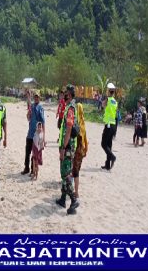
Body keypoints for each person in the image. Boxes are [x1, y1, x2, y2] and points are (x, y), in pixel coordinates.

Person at [56, 84, 79, 215]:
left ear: (69, 94)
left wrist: (64, 147)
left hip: (68, 146)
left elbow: (69, 129)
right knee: (63, 173)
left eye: (65, 93)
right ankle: (63, 199)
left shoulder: (70, 108)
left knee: (65, 173)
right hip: (66, 144)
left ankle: (73, 200)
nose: (64, 94)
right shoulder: (70, 107)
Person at [21, 92, 45, 175]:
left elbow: (43, 122)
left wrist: (43, 136)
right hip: (30, 133)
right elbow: (28, 118)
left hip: (36, 135)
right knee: (27, 152)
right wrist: (28, 115)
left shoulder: (40, 108)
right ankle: (26, 168)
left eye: (37, 97)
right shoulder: (32, 106)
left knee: (34, 154)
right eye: (35, 97)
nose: (36, 98)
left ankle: (33, 170)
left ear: (39, 98)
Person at [72, 102, 88, 199]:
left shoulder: (76, 124)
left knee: (74, 171)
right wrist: (86, 149)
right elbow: (86, 139)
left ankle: (75, 192)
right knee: (76, 171)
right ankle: (76, 191)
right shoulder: (83, 123)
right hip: (81, 151)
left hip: (76, 151)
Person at [101, 83, 117, 171]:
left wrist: (104, 99)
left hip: (108, 125)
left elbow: (103, 106)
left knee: (103, 144)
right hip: (113, 124)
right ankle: (107, 165)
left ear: (108, 91)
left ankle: (112, 157)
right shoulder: (115, 101)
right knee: (109, 145)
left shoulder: (108, 99)